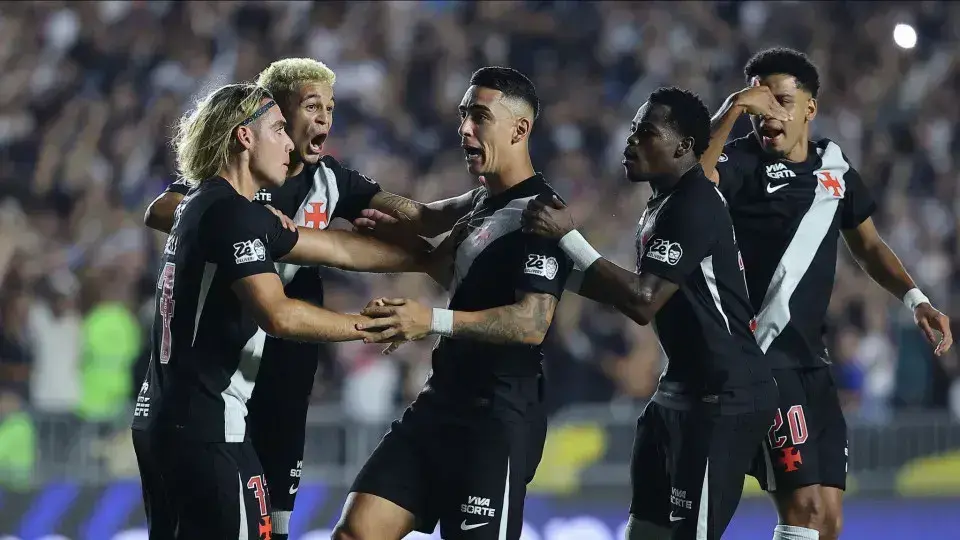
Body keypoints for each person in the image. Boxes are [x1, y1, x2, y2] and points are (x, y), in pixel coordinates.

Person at [142, 58, 477, 539]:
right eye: (309, 107)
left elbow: (345, 242)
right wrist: (371, 326)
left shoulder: (318, 183)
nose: (324, 119)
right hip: (215, 395)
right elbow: (275, 309)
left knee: (265, 516)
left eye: (331, 108)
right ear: (259, 124)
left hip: (256, 375)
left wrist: (438, 244)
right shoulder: (227, 202)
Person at [700, 47, 953, 540]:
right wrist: (731, 108)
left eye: (782, 101)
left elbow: (870, 245)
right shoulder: (739, 163)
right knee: (804, 512)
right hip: (761, 358)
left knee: (830, 521)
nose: (768, 114)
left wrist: (916, 299)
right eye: (759, 102)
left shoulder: (834, 169)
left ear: (809, 109)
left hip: (813, 364)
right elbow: (691, 184)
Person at [521, 87, 778, 540]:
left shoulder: (694, 203)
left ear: (681, 147)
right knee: (645, 532)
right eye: (632, 130)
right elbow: (625, 292)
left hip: (723, 398)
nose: (630, 141)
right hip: (678, 393)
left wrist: (569, 238)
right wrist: (555, 270)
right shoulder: (665, 201)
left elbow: (642, 301)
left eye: (645, 132)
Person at [329, 66, 571, 540]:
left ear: (520, 129)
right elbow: (424, 225)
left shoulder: (542, 214)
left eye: (479, 117)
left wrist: (430, 320)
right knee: (356, 532)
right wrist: (345, 193)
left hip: (496, 417)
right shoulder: (483, 200)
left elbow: (531, 322)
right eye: (463, 116)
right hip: (441, 402)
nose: (464, 129)